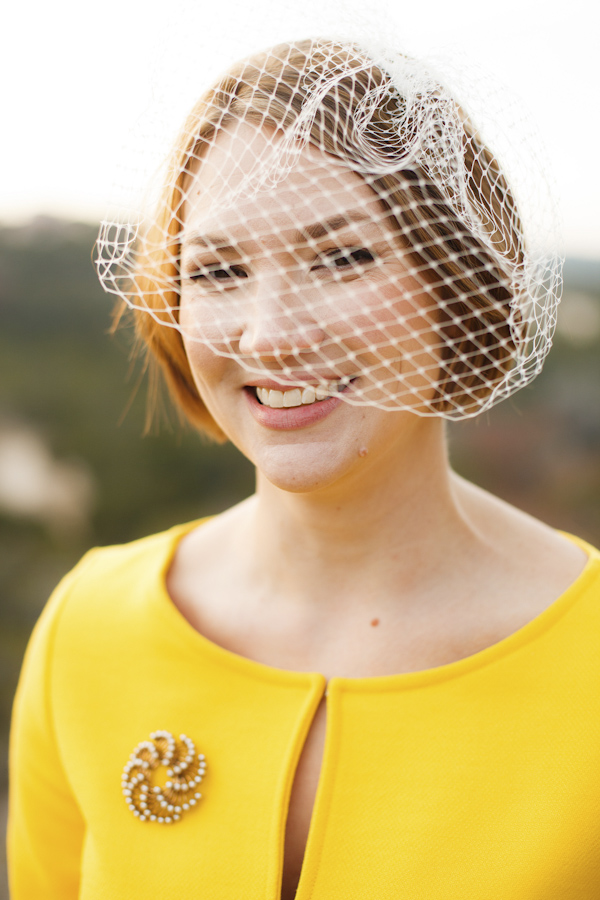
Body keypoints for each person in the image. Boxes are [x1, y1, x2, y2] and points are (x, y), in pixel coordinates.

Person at [8, 38, 600, 899]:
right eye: (217, 270)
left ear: (459, 281)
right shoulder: (88, 627)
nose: (270, 332)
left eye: (342, 257)